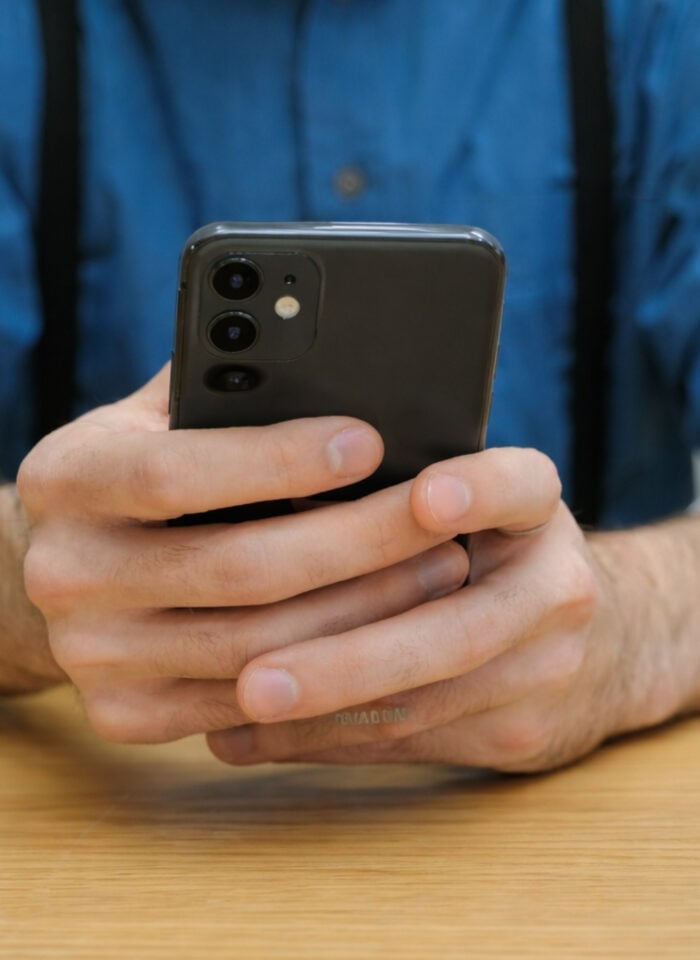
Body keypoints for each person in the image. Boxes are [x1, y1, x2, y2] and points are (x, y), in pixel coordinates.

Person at [1, 0, 699, 772]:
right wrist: (25, 583)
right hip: (140, 803)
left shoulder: (660, 24)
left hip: (539, 811)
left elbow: (639, 621)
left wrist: (629, 622)